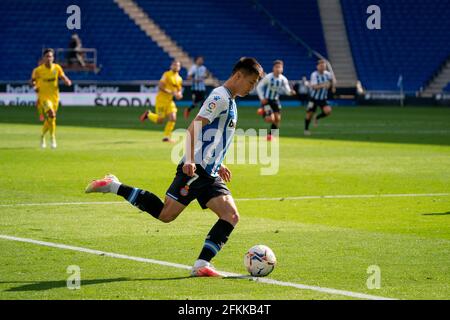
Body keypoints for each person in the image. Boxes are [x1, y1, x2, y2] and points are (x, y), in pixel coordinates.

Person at [86, 57, 263, 277]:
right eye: (251, 81)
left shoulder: (231, 100)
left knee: (230, 216)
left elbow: (213, 137)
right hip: (195, 170)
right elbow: (194, 127)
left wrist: (220, 163)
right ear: (238, 75)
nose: (252, 87)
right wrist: (189, 159)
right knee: (165, 215)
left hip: (210, 172)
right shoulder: (220, 96)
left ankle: (201, 265)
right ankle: (114, 186)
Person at [30, 48, 72, 149]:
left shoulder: (57, 68)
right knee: (51, 114)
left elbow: (63, 76)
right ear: (43, 58)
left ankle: (43, 136)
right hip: (44, 97)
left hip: (54, 97)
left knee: (51, 119)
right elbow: (32, 81)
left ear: (53, 58)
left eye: (50, 56)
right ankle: (53, 137)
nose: (49, 58)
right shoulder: (38, 70)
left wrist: (67, 81)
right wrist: (34, 86)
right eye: (47, 56)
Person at [140, 60, 183, 143]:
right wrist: (171, 92)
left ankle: (166, 137)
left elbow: (179, 90)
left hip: (170, 101)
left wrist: (179, 94)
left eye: (177, 65)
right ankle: (148, 114)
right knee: (160, 120)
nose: (176, 66)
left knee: (173, 118)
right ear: (171, 66)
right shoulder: (166, 75)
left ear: (180, 67)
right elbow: (160, 87)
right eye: (174, 65)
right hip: (161, 100)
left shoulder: (179, 78)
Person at [256, 60, 295, 141]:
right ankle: (263, 111)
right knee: (270, 119)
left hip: (276, 100)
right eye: (276, 67)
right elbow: (259, 87)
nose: (278, 69)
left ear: (282, 69)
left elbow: (287, 91)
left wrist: (291, 92)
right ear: (273, 68)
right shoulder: (268, 77)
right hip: (267, 100)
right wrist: (262, 98)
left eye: (279, 67)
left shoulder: (283, 79)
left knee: (277, 119)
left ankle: (270, 135)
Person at [304, 59, 335, 136]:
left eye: (324, 66)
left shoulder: (328, 74)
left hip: (323, 98)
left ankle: (317, 117)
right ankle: (306, 129)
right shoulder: (314, 75)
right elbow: (314, 87)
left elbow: (331, 81)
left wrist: (332, 86)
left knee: (328, 111)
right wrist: (324, 85)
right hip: (313, 98)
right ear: (317, 66)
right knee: (309, 114)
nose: (322, 67)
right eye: (321, 66)